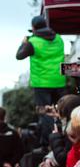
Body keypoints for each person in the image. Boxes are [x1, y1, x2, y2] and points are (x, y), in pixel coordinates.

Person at [16, 15, 66, 145]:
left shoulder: (33, 42)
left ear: (33, 28)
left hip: (42, 84)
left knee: (46, 113)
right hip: (59, 81)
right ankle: (63, 136)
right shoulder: (59, 39)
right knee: (61, 111)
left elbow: (19, 56)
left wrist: (24, 42)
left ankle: (48, 142)